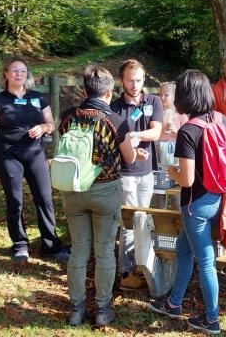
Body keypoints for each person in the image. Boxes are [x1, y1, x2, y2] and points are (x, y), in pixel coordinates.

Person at [149, 69, 226, 335]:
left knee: (206, 261)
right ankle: (174, 303)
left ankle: (212, 319)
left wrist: (170, 170)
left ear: (184, 97)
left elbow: (186, 179)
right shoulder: (222, 120)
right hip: (220, 197)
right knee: (182, 248)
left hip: (195, 205)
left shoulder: (188, 131)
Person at [0, 56, 69, 262]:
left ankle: (50, 245)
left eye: (23, 71)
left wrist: (44, 128)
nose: (19, 74)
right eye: (15, 70)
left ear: (28, 75)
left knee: (44, 198)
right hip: (8, 155)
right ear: (6, 75)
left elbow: (51, 123)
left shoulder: (38, 98)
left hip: (35, 154)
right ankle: (20, 244)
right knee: (15, 200)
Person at [58, 65, 137, 327]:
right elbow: (130, 157)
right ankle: (103, 310)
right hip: (105, 190)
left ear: (84, 90)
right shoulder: (115, 121)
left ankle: (77, 310)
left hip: (73, 189)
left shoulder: (68, 117)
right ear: (110, 91)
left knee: (79, 251)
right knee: (104, 251)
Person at [110, 59, 163, 290]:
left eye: (139, 80)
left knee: (144, 220)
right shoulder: (114, 107)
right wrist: (131, 149)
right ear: (122, 80)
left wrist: (134, 137)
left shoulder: (153, 100)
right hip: (126, 173)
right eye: (130, 80)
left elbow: (157, 131)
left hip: (147, 171)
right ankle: (126, 273)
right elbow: (112, 142)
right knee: (129, 223)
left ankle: (144, 266)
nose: (135, 84)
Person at [155, 81, 188, 210]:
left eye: (166, 95)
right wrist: (160, 132)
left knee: (175, 190)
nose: (162, 98)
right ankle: (159, 218)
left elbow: (187, 138)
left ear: (174, 96)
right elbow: (153, 134)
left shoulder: (181, 115)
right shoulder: (156, 114)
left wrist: (177, 132)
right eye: (160, 94)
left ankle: (177, 220)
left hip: (175, 153)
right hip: (159, 151)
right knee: (159, 187)